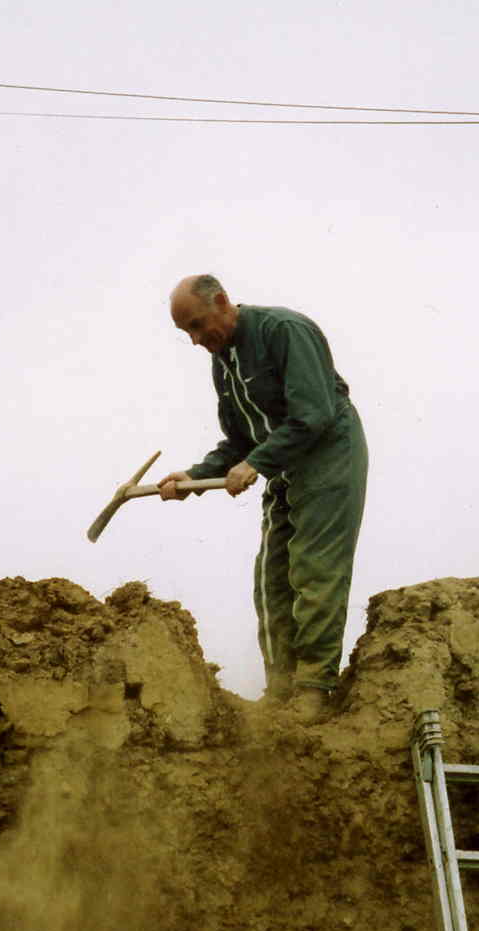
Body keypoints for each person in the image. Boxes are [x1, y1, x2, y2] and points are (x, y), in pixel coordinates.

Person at [159, 274, 369, 722]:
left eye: (197, 326)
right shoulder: (223, 361)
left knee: (314, 567)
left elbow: (313, 415)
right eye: (187, 334)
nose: (196, 341)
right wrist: (195, 476)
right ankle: (280, 691)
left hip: (328, 452)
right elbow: (238, 441)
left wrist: (258, 463)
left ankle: (313, 690)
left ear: (221, 302)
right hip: (283, 461)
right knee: (271, 576)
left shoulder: (283, 331)